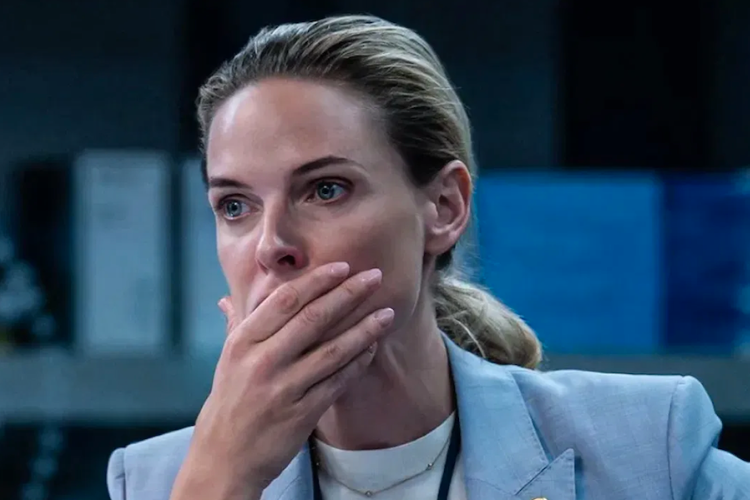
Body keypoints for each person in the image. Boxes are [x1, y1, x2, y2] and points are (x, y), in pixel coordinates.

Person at [106, 15, 750, 500]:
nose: (272, 245)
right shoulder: (157, 479)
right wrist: (222, 479)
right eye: (235, 205)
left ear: (444, 207)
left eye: (326, 189)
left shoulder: (650, 448)